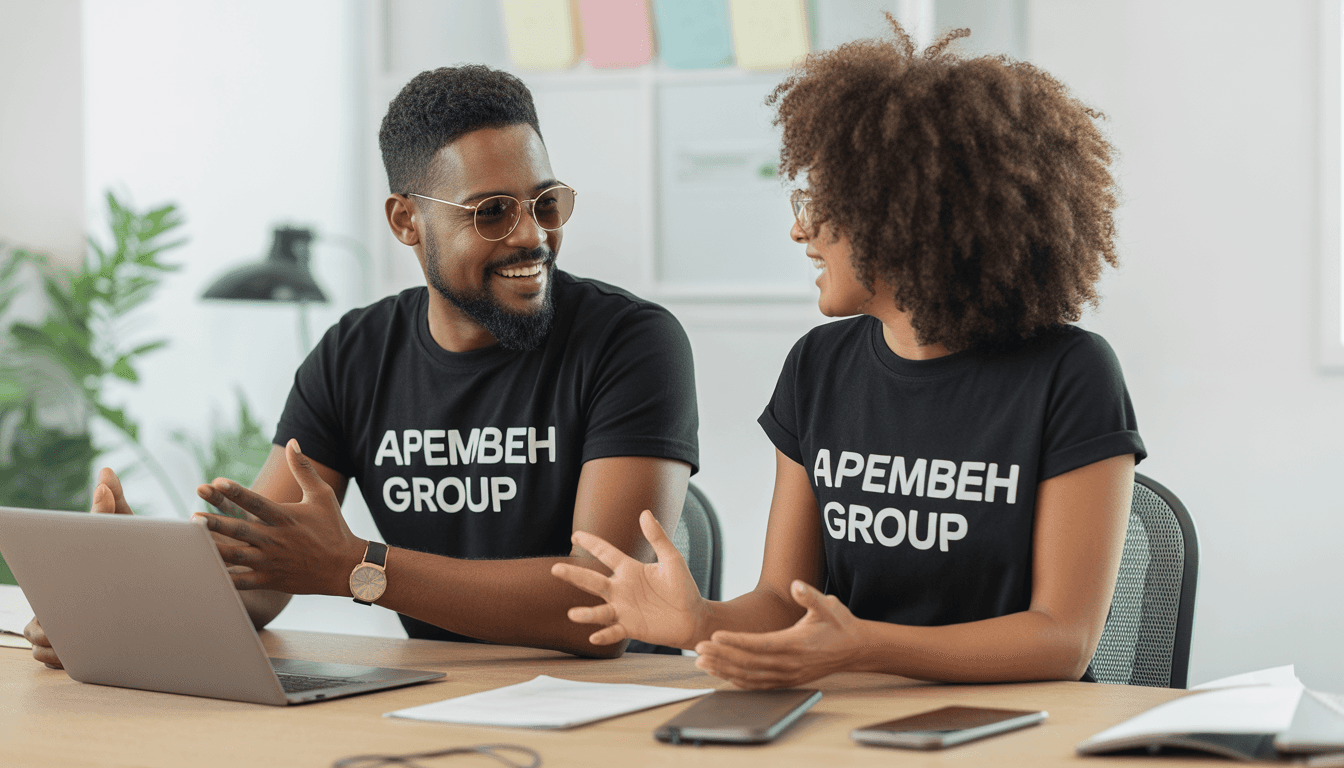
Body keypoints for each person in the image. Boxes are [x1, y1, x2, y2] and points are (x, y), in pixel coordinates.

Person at [26, 65, 698, 666]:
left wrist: (360, 568)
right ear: (407, 222)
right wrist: (121, 600)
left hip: (617, 710)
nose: (531, 235)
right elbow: (267, 575)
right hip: (434, 698)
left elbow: (602, 607)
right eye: (492, 212)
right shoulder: (356, 354)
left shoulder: (633, 343)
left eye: (544, 203)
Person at [552, 19, 1145, 688]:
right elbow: (783, 600)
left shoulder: (1071, 374)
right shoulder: (818, 366)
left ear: (910, 216)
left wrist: (863, 646)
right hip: (850, 717)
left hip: (1019, 727)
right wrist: (701, 620)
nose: (800, 228)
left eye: (823, 203)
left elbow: (1060, 638)